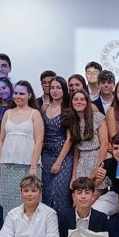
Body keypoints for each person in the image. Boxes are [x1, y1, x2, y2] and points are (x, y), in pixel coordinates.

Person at [0, 80, 44, 214]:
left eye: (22, 93)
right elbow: (1, 140)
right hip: (8, 166)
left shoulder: (35, 113)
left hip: (28, 166)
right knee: (8, 205)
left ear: (29, 95)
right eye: (15, 93)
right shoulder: (7, 113)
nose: (18, 96)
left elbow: (39, 141)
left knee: (30, 203)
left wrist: (33, 167)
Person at [41, 76, 74, 214]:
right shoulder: (44, 107)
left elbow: (70, 138)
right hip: (46, 156)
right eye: (52, 87)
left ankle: (63, 230)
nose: (55, 90)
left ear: (64, 90)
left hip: (64, 156)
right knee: (47, 192)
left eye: (58, 88)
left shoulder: (68, 108)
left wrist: (59, 162)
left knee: (60, 192)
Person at [70, 90, 109, 186]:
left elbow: (104, 144)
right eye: (75, 99)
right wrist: (73, 175)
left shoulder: (97, 117)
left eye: (82, 99)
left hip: (98, 158)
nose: (79, 102)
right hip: (82, 162)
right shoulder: (73, 122)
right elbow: (76, 151)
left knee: (95, 192)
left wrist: (97, 168)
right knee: (81, 192)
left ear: (87, 102)